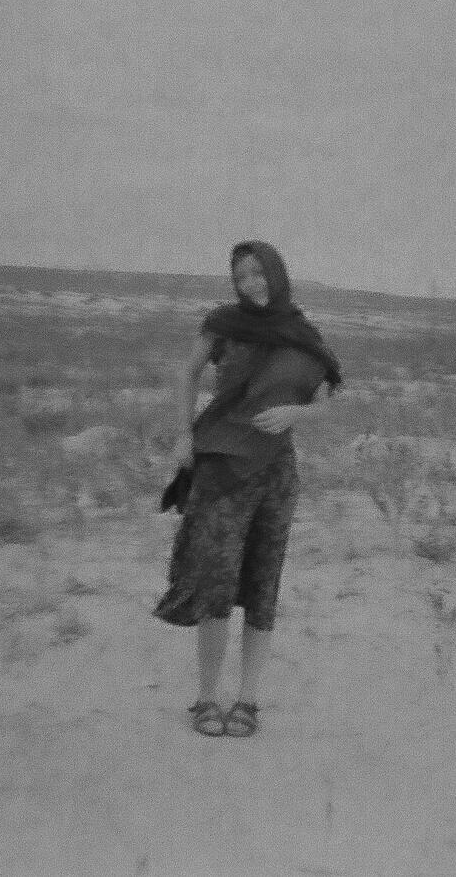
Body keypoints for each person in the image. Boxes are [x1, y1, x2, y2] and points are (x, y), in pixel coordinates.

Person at [154, 240, 343, 737]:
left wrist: (296, 413)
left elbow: (325, 400)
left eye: (258, 273)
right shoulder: (223, 325)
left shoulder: (302, 334)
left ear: (276, 274)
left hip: (276, 473)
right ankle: (206, 698)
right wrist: (183, 434)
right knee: (215, 583)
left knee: (262, 584)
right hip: (222, 469)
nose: (251, 284)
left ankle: (248, 700)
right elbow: (186, 374)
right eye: (241, 276)